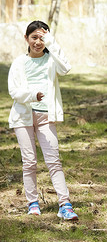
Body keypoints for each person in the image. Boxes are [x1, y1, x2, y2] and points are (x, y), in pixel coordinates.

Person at [8, 20, 78, 220]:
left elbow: (66, 68)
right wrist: (32, 95)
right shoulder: (19, 62)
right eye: (34, 37)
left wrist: (51, 42)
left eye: (42, 38)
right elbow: (14, 91)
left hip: (46, 116)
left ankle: (65, 204)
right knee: (29, 162)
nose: (38, 42)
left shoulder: (51, 60)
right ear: (26, 38)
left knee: (54, 161)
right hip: (23, 117)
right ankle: (33, 203)